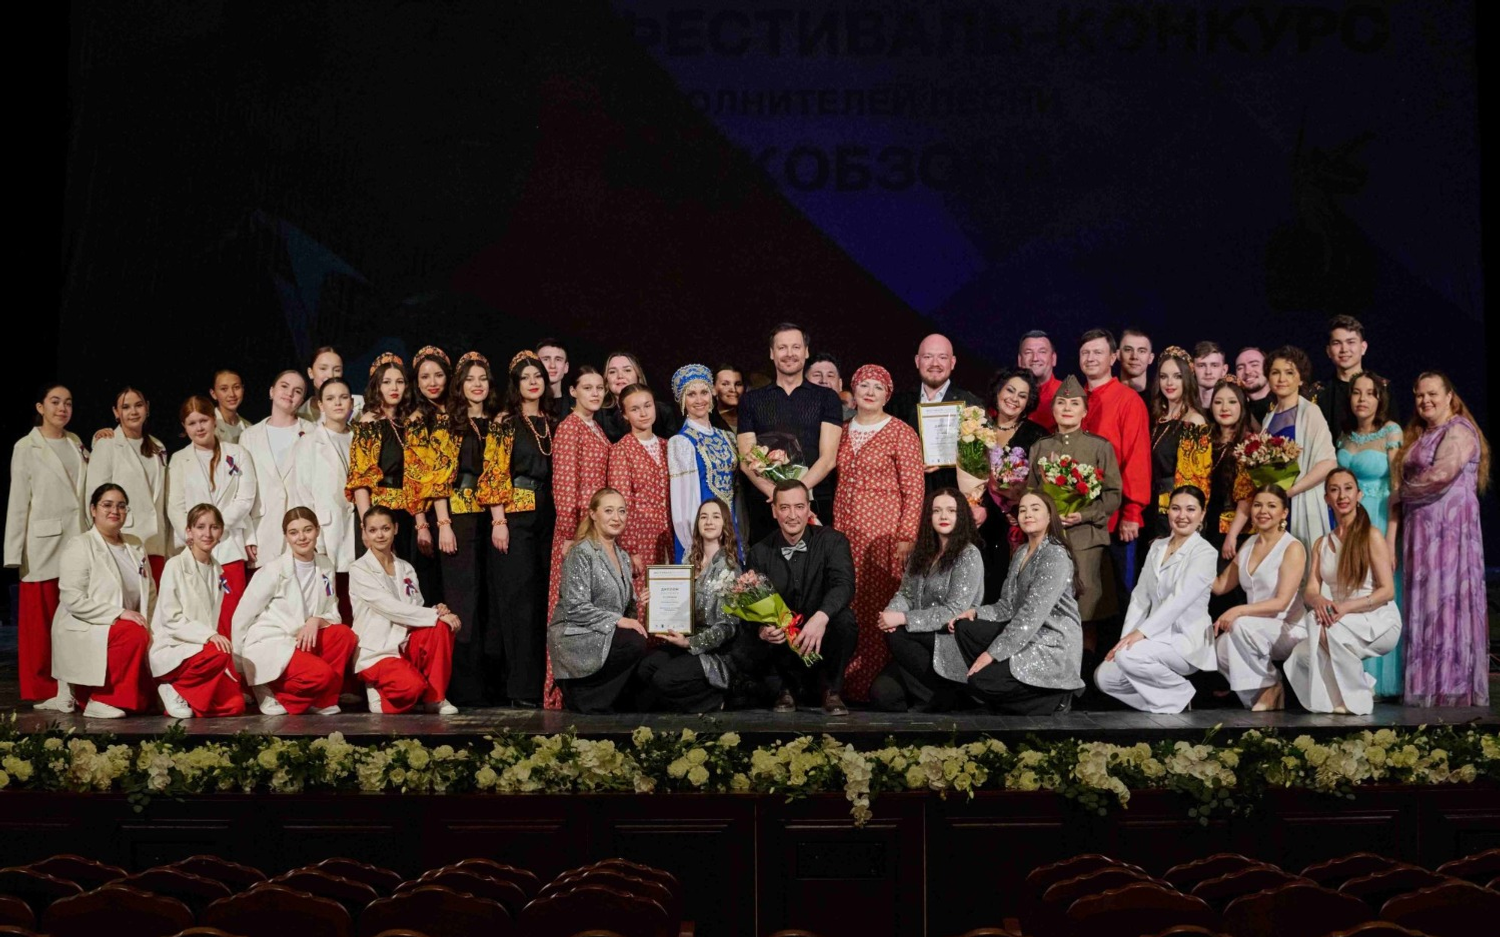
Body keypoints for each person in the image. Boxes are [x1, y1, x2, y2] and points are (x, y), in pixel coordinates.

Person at [1395, 371, 1490, 708]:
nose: (1426, 400)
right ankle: (1425, 685)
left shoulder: (1459, 430)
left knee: (1447, 599)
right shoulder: (1422, 434)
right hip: (1422, 533)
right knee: (1426, 603)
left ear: (1449, 396)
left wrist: (1397, 495)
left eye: (1432, 393)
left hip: (1450, 535)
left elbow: (1440, 475)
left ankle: (1450, 687)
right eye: (1420, 395)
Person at [832, 364, 925, 701]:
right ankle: (846, 682)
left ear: (887, 395)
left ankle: (878, 684)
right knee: (849, 603)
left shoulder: (901, 432)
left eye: (878, 387)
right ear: (853, 391)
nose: (870, 392)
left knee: (880, 605)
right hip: (845, 535)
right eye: (864, 385)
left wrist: (906, 537)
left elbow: (914, 490)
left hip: (884, 538)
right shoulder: (841, 431)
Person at [949, 491, 1085, 713]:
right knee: (965, 628)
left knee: (979, 682)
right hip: (1024, 631)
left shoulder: (1055, 554)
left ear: (1049, 516)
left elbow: (1031, 615)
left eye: (1035, 509)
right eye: (1022, 510)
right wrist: (975, 612)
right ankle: (1002, 691)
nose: (1027, 514)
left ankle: (1055, 697)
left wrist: (992, 654)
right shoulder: (1022, 552)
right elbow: (1007, 605)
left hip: (1050, 639)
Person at [476, 352, 557, 708]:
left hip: (549, 515)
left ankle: (546, 683)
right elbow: (493, 473)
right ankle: (521, 688)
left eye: (537, 375)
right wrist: (499, 520)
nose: (533, 382)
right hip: (515, 514)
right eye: (525, 377)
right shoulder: (505, 423)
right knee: (519, 602)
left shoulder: (553, 422)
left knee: (544, 600)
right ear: (516, 385)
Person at [1285, 470, 1401, 715]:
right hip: (1340, 618)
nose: (1342, 496)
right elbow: (1310, 590)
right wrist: (1319, 600)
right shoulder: (1321, 543)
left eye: (1348, 488)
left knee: (1324, 629)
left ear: (1359, 494)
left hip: (1376, 618)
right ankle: (1357, 684)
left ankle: (1358, 698)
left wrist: (1346, 607)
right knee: (1301, 655)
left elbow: (1387, 591)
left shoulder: (1371, 536)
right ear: (1326, 498)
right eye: (1334, 490)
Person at [1095, 486, 1218, 713]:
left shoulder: (1205, 552)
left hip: (1185, 641)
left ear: (1202, 515)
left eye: (1190, 509)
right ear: (1167, 511)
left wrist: (1141, 634)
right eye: (1176, 508)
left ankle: (1180, 693)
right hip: (1153, 639)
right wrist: (1125, 640)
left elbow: (1179, 600)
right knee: (1105, 677)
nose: (1182, 515)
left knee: (1129, 657)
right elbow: (1140, 597)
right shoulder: (1158, 547)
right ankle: (1168, 704)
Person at [1027, 377, 1122, 663]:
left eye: (1074, 403)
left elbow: (1113, 494)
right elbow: (1032, 493)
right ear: (1053, 409)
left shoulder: (1099, 447)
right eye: (1061, 402)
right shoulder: (1040, 447)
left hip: (1087, 540)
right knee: (1048, 606)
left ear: (1085, 411)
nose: (1067, 408)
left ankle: (1085, 670)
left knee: (1086, 612)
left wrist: (1085, 514)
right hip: (1049, 540)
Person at [428, 352, 505, 707]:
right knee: (463, 600)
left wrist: (500, 520)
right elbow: (437, 478)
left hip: (492, 518)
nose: (477, 385)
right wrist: (443, 524)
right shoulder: (448, 423)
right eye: (470, 379)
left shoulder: (497, 422)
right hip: (458, 518)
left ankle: (491, 687)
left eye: (482, 379)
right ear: (460, 385)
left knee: (490, 600)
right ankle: (462, 688)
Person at [6, 384, 89, 706]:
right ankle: (43, 689)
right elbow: (18, 502)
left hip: (76, 540)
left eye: (68, 403)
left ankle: (73, 686)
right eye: (55, 402)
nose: (62, 408)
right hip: (42, 545)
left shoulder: (75, 442)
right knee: (40, 623)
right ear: (40, 407)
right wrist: (13, 553)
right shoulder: (26, 447)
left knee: (72, 618)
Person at [745, 479, 858, 715]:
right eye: (784, 508)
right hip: (782, 651)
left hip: (822, 642)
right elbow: (753, 605)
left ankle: (831, 690)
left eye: (798, 507)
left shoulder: (833, 541)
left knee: (844, 619)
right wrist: (762, 629)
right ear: (774, 511)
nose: (792, 515)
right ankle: (783, 689)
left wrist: (821, 617)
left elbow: (844, 585)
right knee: (750, 632)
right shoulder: (759, 552)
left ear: (808, 508)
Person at [230, 507, 356, 715]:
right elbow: (242, 616)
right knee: (322, 675)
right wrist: (241, 665)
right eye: (294, 532)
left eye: (308, 530)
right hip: (272, 642)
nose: (302, 537)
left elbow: (332, 611)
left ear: (317, 530)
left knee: (344, 635)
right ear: (286, 536)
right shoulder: (273, 570)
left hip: (302, 640)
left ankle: (322, 699)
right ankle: (269, 688)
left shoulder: (325, 565)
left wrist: (316, 620)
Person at [867, 488, 983, 712]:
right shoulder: (922, 552)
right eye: (936, 511)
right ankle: (939, 696)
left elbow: (954, 610)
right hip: (916, 640)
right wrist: (890, 614)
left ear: (961, 516)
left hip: (949, 637)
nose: (943, 516)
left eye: (951, 511)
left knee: (898, 635)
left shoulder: (968, 554)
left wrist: (903, 619)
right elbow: (906, 594)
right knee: (883, 696)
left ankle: (945, 694)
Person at [48, 483, 155, 718]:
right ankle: (100, 699)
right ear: (93, 509)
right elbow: (72, 599)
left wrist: (155, 624)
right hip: (88, 623)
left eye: (121, 506)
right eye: (107, 505)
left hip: (127, 625)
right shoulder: (80, 545)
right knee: (132, 633)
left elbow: (150, 592)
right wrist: (119, 613)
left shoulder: (135, 544)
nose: (115, 511)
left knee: (147, 701)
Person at [737, 323, 844, 541]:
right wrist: (777, 497)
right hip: (766, 505)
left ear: (806, 351)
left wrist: (795, 496)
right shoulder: (751, 400)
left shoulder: (827, 398)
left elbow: (828, 459)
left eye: (795, 347)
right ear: (772, 353)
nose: (789, 354)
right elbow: (747, 460)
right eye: (782, 347)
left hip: (814, 504)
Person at [636, 498, 744, 712]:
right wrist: (653, 600)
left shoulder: (730, 568)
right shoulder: (688, 559)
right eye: (704, 517)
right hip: (684, 641)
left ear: (724, 524)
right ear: (697, 524)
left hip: (713, 649)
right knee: (645, 669)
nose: (709, 521)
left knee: (664, 679)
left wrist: (689, 643)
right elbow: (677, 604)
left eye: (715, 517)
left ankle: (717, 700)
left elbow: (728, 627)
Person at [547, 487, 649, 713]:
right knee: (633, 642)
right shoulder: (582, 552)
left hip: (603, 632)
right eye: (609, 511)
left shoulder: (623, 557)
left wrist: (637, 601)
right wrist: (618, 620)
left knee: (643, 653)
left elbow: (625, 611)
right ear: (593, 514)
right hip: (577, 633)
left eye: (622, 511)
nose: (617, 517)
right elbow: (575, 607)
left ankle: (600, 698)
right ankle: (583, 695)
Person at [350, 506, 460, 714]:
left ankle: (435, 698)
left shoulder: (406, 567)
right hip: (379, 650)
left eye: (385, 528)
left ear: (396, 528)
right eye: (373, 530)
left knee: (440, 628)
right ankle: (376, 688)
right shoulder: (359, 569)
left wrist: (438, 611)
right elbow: (389, 608)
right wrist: (433, 615)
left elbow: (414, 608)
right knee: (411, 689)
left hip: (405, 643)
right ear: (364, 532)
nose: (380, 535)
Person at [1336, 370, 1404, 698]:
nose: (1362, 399)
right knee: (1352, 589)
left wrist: (1391, 539)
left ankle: (1382, 679)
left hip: (1378, 518)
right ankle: (1353, 676)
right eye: (1356, 392)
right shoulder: (1344, 436)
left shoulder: (1391, 431)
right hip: (1346, 520)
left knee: (1378, 590)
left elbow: (1397, 489)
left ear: (1380, 398)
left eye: (1370, 393)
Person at [166, 396, 257, 637]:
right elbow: (175, 506)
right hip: (194, 551)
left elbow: (245, 498)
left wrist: (216, 529)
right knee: (199, 617)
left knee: (232, 618)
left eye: (203, 420)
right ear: (184, 427)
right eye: (192, 423)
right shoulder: (179, 459)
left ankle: (233, 660)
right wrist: (195, 536)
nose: (199, 428)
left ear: (213, 420)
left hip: (228, 547)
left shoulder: (238, 453)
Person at [1212, 485, 1308, 710]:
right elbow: (1220, 586)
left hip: (1288, 628)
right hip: (1254, 628)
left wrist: (1237, 610)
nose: (1263, 511)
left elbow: (1281, 603)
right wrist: (1192, 558)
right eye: (1257, 505)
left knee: (1240, 626)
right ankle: (1263, 695)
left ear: (1284, 513)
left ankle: (1270, 685)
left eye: (1271, 506)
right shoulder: (1249, 544)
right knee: (1218, 650)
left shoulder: (1292, 547)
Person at [149, 503, 245, 718]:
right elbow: (171, 619)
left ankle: (185, 694)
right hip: (176, 646)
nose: (207, 533)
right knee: (221, 651)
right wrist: (209, 635)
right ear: (189, 531)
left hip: (201, 650)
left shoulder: (217, 570)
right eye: (200, 527)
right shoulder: (175, 565)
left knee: (235, 705)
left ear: (221, 532)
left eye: (214, 527)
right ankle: (173, 687)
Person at [1078, 329, 1150, 594]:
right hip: (1077, 515)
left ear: (1113, 358)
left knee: (1122, 592)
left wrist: (1132, 512)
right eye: (1085, 352)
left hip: (1116, 517)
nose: (1091, 358)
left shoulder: (1128, 400)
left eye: (1098, 352)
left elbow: (1137, 459)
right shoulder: (1073, 399)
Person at [85, 387, 170, 586]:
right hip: (124, 540)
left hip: (156, 542)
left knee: (154, 600)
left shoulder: (158, 447)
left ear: (147, 408)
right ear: (116, 412)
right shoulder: (106, 444)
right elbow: (94, 499)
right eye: (126, 407)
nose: (133, 412)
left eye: (138, 405)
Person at [289, 378, 357, 621]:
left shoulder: (360, 437)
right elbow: (302, 494)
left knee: (359, 595)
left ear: (352, 402)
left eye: (343, 397)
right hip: (328, 530)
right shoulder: (309, 442)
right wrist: (312, 535)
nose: (338, 403)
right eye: (330, 398)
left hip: (359, 527)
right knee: (332, 597)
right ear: (320, 405)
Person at [978, 368, 1047, 601]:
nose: (1014, 399)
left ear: (1028, 402)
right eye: (1010, 390)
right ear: (998, 391)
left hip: (1017, 527)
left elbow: (1041, 485)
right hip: (980, 524)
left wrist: (1016, 507)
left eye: (1022, 395)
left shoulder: (1036, 435)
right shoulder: (977, 429)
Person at [549, 366, 612, 615]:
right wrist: (568, 534)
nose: (595, 393)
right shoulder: (569, 427)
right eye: (587, 388)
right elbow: (564, 485)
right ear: (573, 391)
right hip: (578, 526)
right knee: (575, 594)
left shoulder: (594, 426)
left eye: (599, 388)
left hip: (596, 522)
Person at [1263, 346, 1337, 550]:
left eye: (1289, 373)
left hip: (1303, 501)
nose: (1281, 379)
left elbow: (1328, 463)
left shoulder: (1310, 412)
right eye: (1275, 372)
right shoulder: (1268, 418)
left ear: (1301, 378)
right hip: (1276, 504)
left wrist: (1291, 491)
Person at [889, 333, 983, 494]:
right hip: (907, 496)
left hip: (952, 497)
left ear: (952, 363)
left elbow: (981, 461)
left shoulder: (971, 404)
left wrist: (951, 457)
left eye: (942, 357)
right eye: (928, 357)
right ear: (917, 361)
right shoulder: (897, 404)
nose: (935, 363)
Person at [348, 353, 418, 565]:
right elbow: (360, 479)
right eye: (386, 382)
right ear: (376, 386)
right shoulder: (370, 423)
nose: (394, 388)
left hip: (407, 512)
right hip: (379, 513)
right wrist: (367, 524)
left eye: (399, 382)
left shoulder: (407, 422)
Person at [239, 370, 314, 570]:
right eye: (284, 386)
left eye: (297, 391)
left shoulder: (312, 432)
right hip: (263, 531)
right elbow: (243, 490)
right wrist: (248, 536)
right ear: (271, 391)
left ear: (302, 400)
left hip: (300, 532)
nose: (290, 393)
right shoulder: (249, 436)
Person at [668, 364, 741, 563]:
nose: (699, 400)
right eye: (691, 394)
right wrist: (693, 544)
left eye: (704, 392)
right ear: (683, 401)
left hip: (730, 523)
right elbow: (682, 501)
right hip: (702, 530)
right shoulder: (681, 442)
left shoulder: (726, 436)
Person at [607, 383, 671, 601]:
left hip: (671, 535)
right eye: (635, 409)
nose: (643, 413)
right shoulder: (621, 450)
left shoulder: (668, 446)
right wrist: (630, 548)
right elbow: (622, 503)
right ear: (625, 415)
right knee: (645, 599)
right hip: (641, 536)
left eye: (647, 406)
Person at [1143, 347, 1211, 541]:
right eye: (1164, 376)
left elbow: (1197, 482)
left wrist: (1184, 519)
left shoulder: (1194, 421)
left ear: (1187, 379)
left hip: (1176, 515)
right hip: (1153, 508)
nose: (1169, 383)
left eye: (1177, 376)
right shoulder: (1158, 419)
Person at [1203, 379, 1256, 619]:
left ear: (1242, 406)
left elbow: (1247, 496)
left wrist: (1232, 536)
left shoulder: (1250, 444)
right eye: (1218, 402)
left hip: (1234, 530)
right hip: (1206, 526)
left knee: (1229, 594)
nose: (1225, 408)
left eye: (1232, 402)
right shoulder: (1204, 440)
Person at [403, 345, 452, 595]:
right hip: (432, 513)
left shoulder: (459, 411)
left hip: (463, 506)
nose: (432, 383)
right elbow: (416, 477)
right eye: (425, 377)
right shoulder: (417, 419)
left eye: (438, 375)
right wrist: (422, 524)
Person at [1317, 315, 1385, 441]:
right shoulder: (1318, 392)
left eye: (1351, 342)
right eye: (1337, 343)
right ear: (1328, 351)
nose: (1344, 349)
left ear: (1363, 348)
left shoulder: (1382, 388)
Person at [598, 351, 677, 442]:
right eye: (612, 372)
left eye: (627, 370)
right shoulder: (599, 415)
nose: (620, 376)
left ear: (638, 375)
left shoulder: (663, 412)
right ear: (606, 380)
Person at [301, 347, 366, 424]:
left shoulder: (360, 404)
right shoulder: (301, 414)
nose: (330, 375)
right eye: (323, 368)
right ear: (310, 372)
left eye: (337, 370)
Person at [1019, 330, 1063, 433]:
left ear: (1053, 358)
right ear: (1020, 360)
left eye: (1042, 352)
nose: (1035, 358)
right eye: (1028, 352)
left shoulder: (1067, 394)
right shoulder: (1007, 395)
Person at [806, 352, 855, 420]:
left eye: (830, 376)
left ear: (840, 384)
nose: (824, 381)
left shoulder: (855, 420)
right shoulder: (792, 416)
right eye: (817, 375)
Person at [1234, 346, 1273, 425]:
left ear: (1268, 367)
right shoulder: (1236, 412)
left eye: (1254, 365)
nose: (1247, 371)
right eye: (1240, 368)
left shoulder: (1287, 404)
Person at [535, 337, 571, 421]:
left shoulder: (577, 407)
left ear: (566, 367)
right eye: (546, 359)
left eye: (558, 359)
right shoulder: (523, 408)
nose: (552, 365)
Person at [211, 369, 248, 443]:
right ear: (213, 394)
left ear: (243, 389)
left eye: (236, 387)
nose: (232, 394)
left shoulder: (248, 427)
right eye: (224, 389)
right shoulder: (209, 427)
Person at [1119, 327, 1155, 400]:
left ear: (1150, 358)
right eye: (1128, 350)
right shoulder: (1105, 396)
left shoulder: (1161, 399)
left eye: (1142, 351)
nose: (1134, 356)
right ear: (1118, 355)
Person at [1191, 341, 1229, 411]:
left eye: (1214, 365)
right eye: (1201, 366)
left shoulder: (1232, 408)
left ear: (1224, 370)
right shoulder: (1184, 407)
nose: (1208, 372)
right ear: (1192, 369)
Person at [710, 364, 744, 435]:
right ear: (713, 389)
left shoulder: (754, 418)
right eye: (725, 384)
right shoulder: (707, 422)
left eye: (738, 384)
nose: (733, 389)